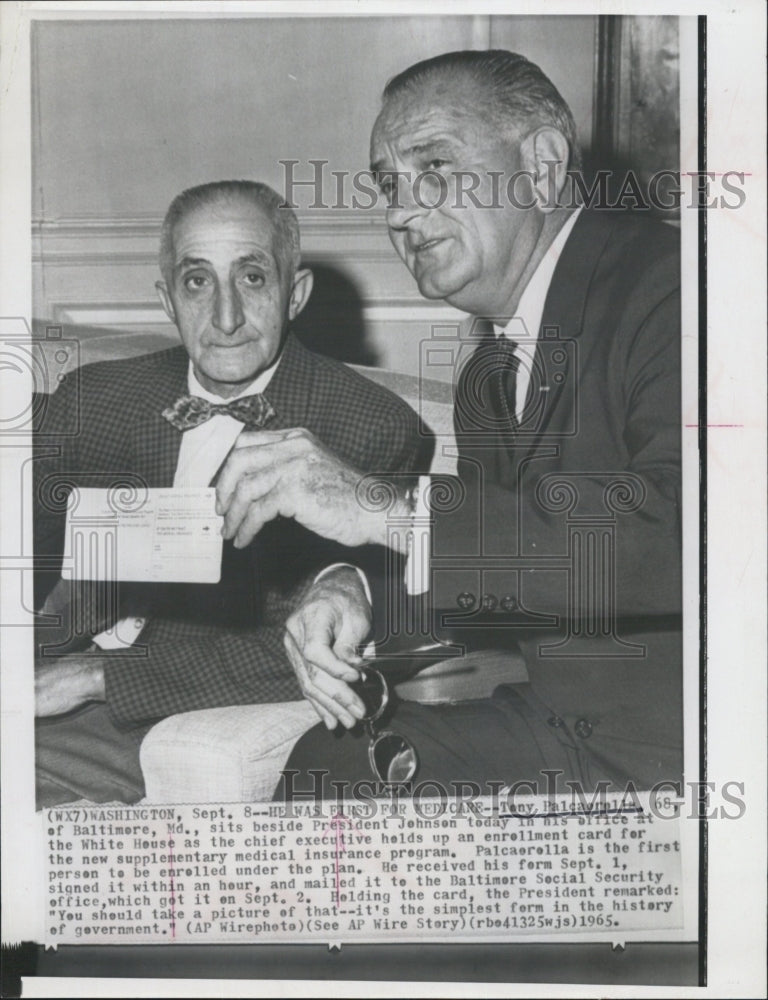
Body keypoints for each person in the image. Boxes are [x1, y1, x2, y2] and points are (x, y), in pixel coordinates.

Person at [214, 50, 683, 800]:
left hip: (702, 749)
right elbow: (496, 572)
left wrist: (388, 508)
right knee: (329, 770)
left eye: (434, 166)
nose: (400, 213)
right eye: (389, 186)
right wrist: (357, 593)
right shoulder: (489, 369)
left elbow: (682, 536)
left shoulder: (681, 285)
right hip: (571, 737)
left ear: (542, 166)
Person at [33, 179, 429, 807]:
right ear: (167, 299)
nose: (225, 317)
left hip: (160, 710)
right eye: (197, 281)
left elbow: (308, 650)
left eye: (252, 278)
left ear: (295, 293)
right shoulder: (93, 398)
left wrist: (92, 677)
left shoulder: (370, 426)